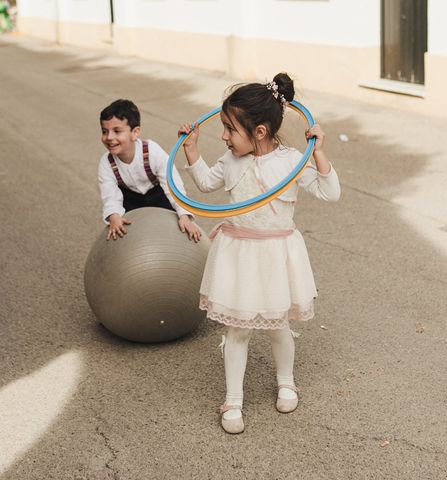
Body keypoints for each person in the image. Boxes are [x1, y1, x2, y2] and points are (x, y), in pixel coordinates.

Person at [178, 73, 340, 434]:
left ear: (261, 132)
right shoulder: (231, 159)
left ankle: (286, 380)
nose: (224, 136)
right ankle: (233, 399)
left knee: (278, 325)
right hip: (239, 253)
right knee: (238, 330)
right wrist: (191, 152)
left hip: (275, 254)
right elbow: (205, 184)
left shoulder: (292, 161)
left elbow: (331, 193)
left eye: (230, 129)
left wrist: (319, 152)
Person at [98, 99, 201, 242]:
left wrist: (184, 215)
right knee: (127, 234)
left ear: (135, 132)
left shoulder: (152, 151)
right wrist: (114, 216)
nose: (109, 137)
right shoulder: (106, 163)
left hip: (159, 197)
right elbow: (110, 195)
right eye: (104, 131)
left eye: (117, 131)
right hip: (131, 202)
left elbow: (173, 185)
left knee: (177, 228)